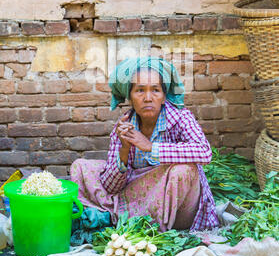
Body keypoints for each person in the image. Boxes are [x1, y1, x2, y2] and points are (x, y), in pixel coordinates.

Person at [70, 56, 219, 232]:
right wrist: (124, 150)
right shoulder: (125, 126)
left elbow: (204, 152)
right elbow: (111, 187)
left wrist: (150, 147)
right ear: (131, 98)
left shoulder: (180, 118)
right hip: (136, 196)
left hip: (177, 209)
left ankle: (123, 219)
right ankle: (124, 216)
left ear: (164, 97)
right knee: (81, 167)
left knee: (184, 170)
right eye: (140, 90)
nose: (148, 98)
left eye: (155, 90)